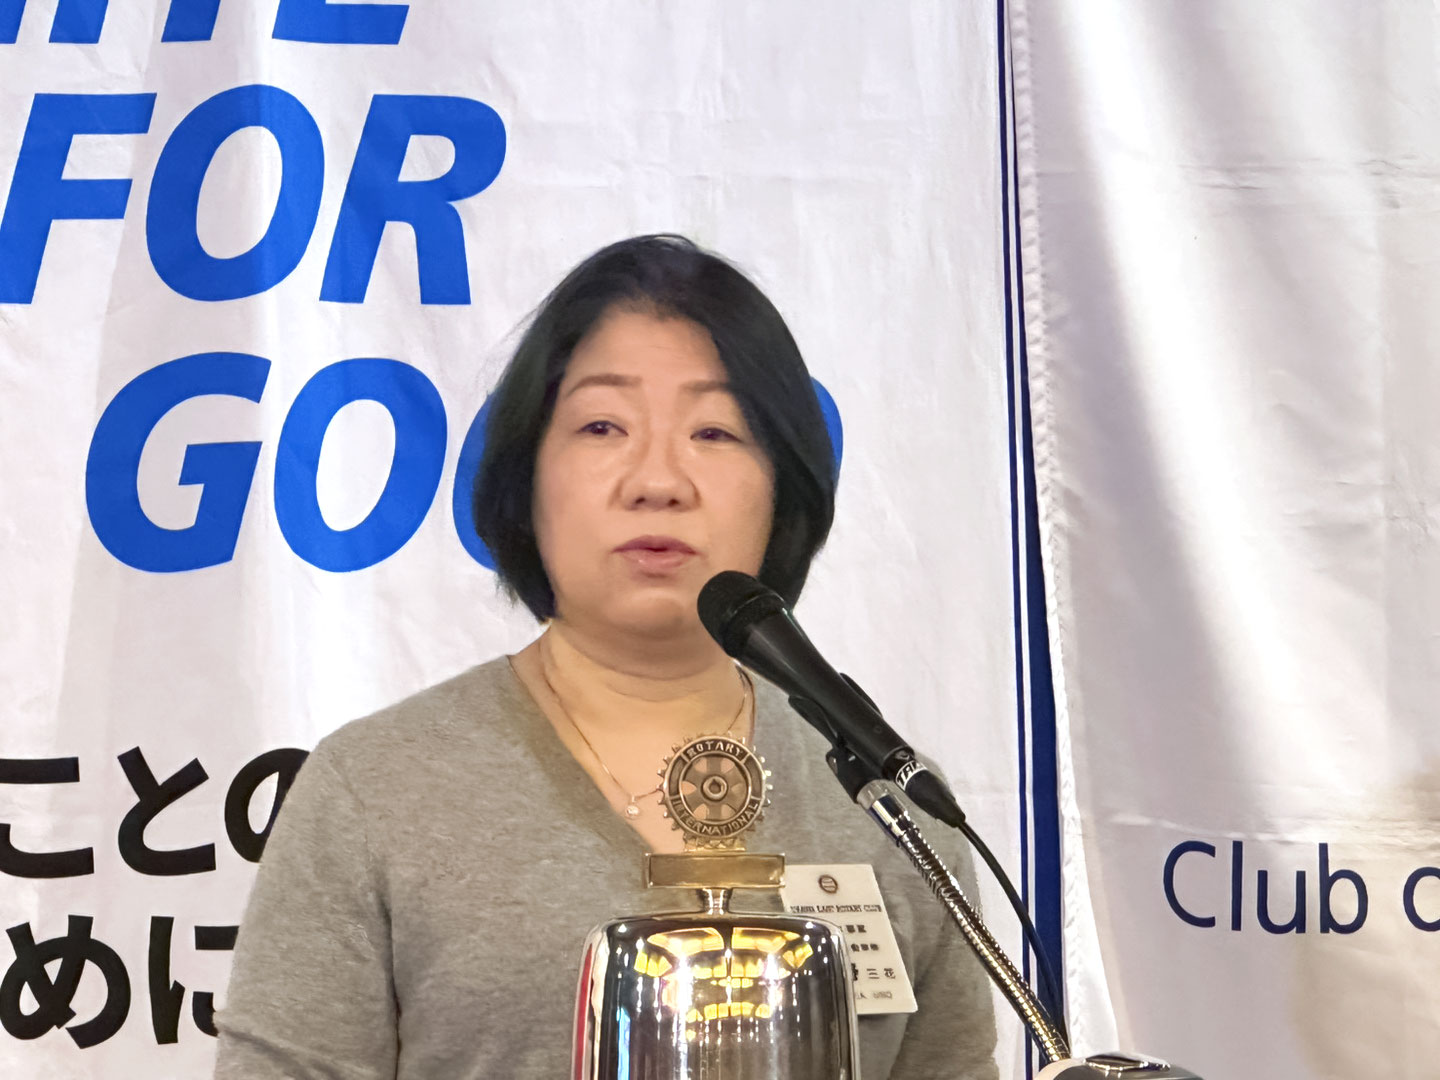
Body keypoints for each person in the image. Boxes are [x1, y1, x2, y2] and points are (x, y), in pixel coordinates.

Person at [213, 235, 999, 1078]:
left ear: (784, 487)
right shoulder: (374, 792)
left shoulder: (892, 807)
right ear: (526, 478)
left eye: (714, 430)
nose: (658, 480)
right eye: (602, 426)